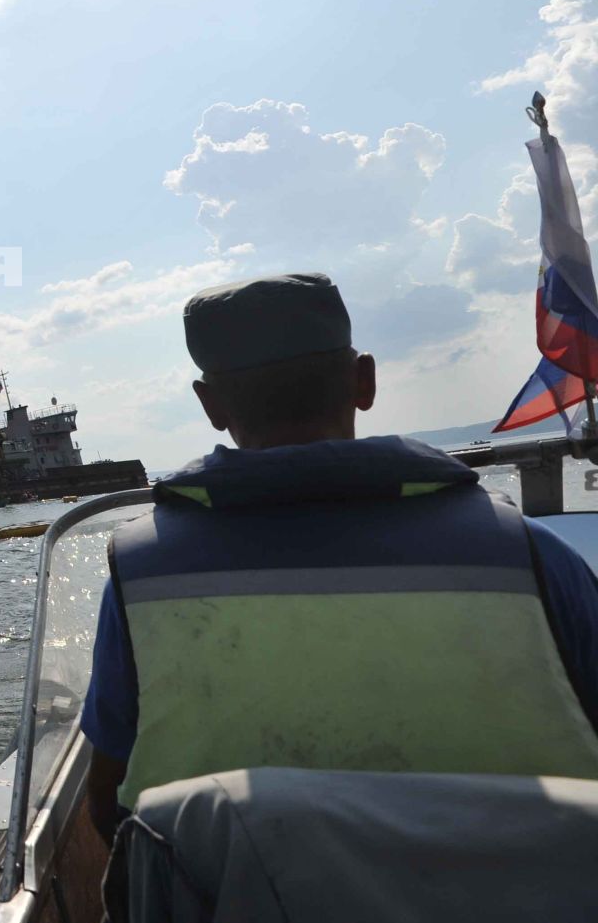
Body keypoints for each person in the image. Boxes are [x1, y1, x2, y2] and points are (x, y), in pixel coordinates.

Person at [81, 272, 598, 840]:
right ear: (364, 381)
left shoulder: (140, 575)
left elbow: (110, 812)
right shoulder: (530, 557)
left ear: (210, 404)